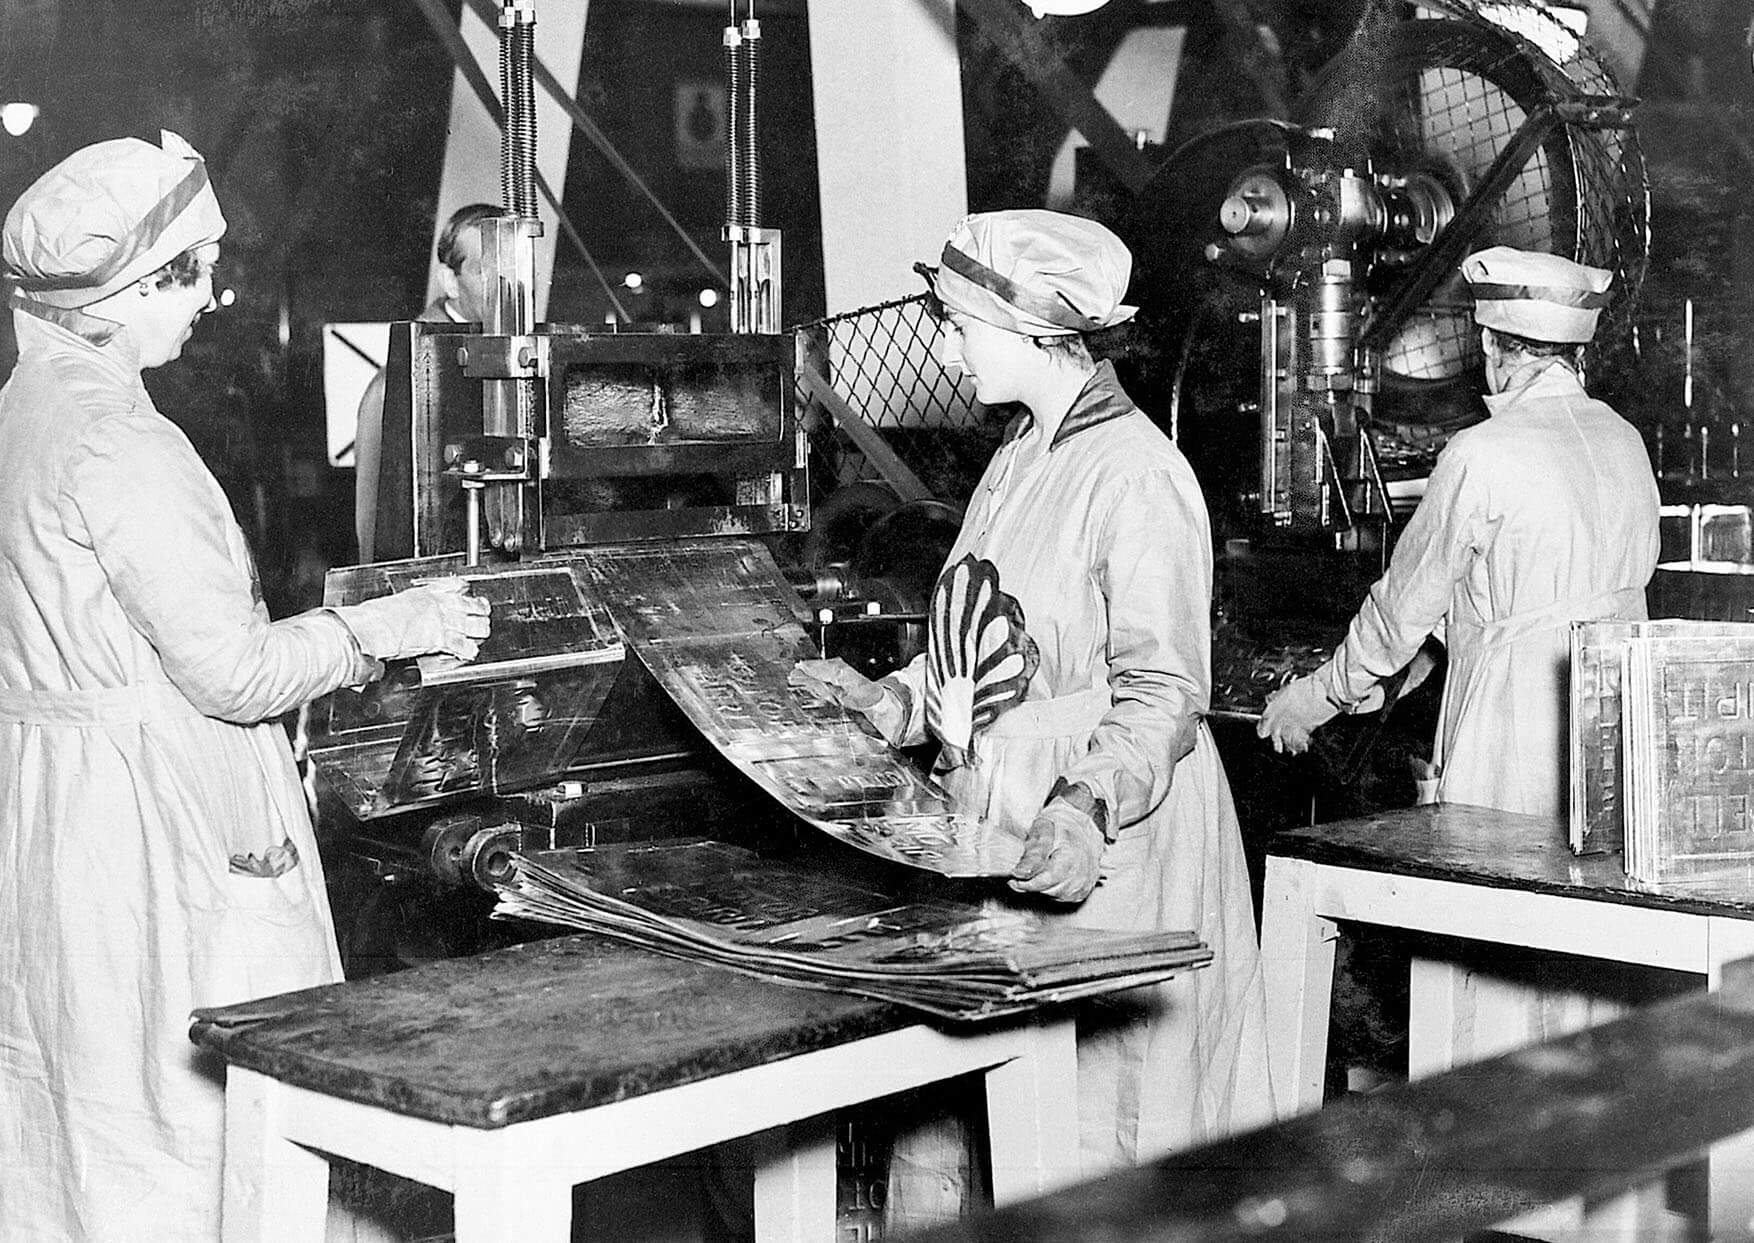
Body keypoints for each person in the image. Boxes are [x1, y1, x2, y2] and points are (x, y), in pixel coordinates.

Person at [0, 132, 491, 1241]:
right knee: (198, 1142)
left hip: (53, 809)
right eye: (192, 276)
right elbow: (234, 672)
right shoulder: (118, 442)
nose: (209, 299)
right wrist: (387, 626)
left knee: (79, 1122)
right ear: (127, 290)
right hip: (153, 813)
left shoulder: (24, 413)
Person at [791, 209, 1277, 1191]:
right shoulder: (1019, 457)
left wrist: (1085, 808)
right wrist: (890, 703)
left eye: (957, 323)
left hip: (1107, 836)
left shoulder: (1138, 474)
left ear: (1032, 330)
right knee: (992, 1132)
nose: (945, 345)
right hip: (1000, 824)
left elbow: (1164, 692)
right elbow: (985, 638)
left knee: (1102, 1141)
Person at [1257, 246, 1661, 820]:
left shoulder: (1481, 453)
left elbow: (1402, 609)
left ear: (1491, 345)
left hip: (1514, 724)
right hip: (1616, 727)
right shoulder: (1626, 440)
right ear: (1575, 352)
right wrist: (1410, 671)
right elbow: (1543, 593)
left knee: (1499, 865)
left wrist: (1320, 695)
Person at [354, 201, 502, 561]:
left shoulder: (512, 365)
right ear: (450, 281)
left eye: (512, 269)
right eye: (485, 271)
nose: (505, 286)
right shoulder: (395, 388)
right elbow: (374, 528)